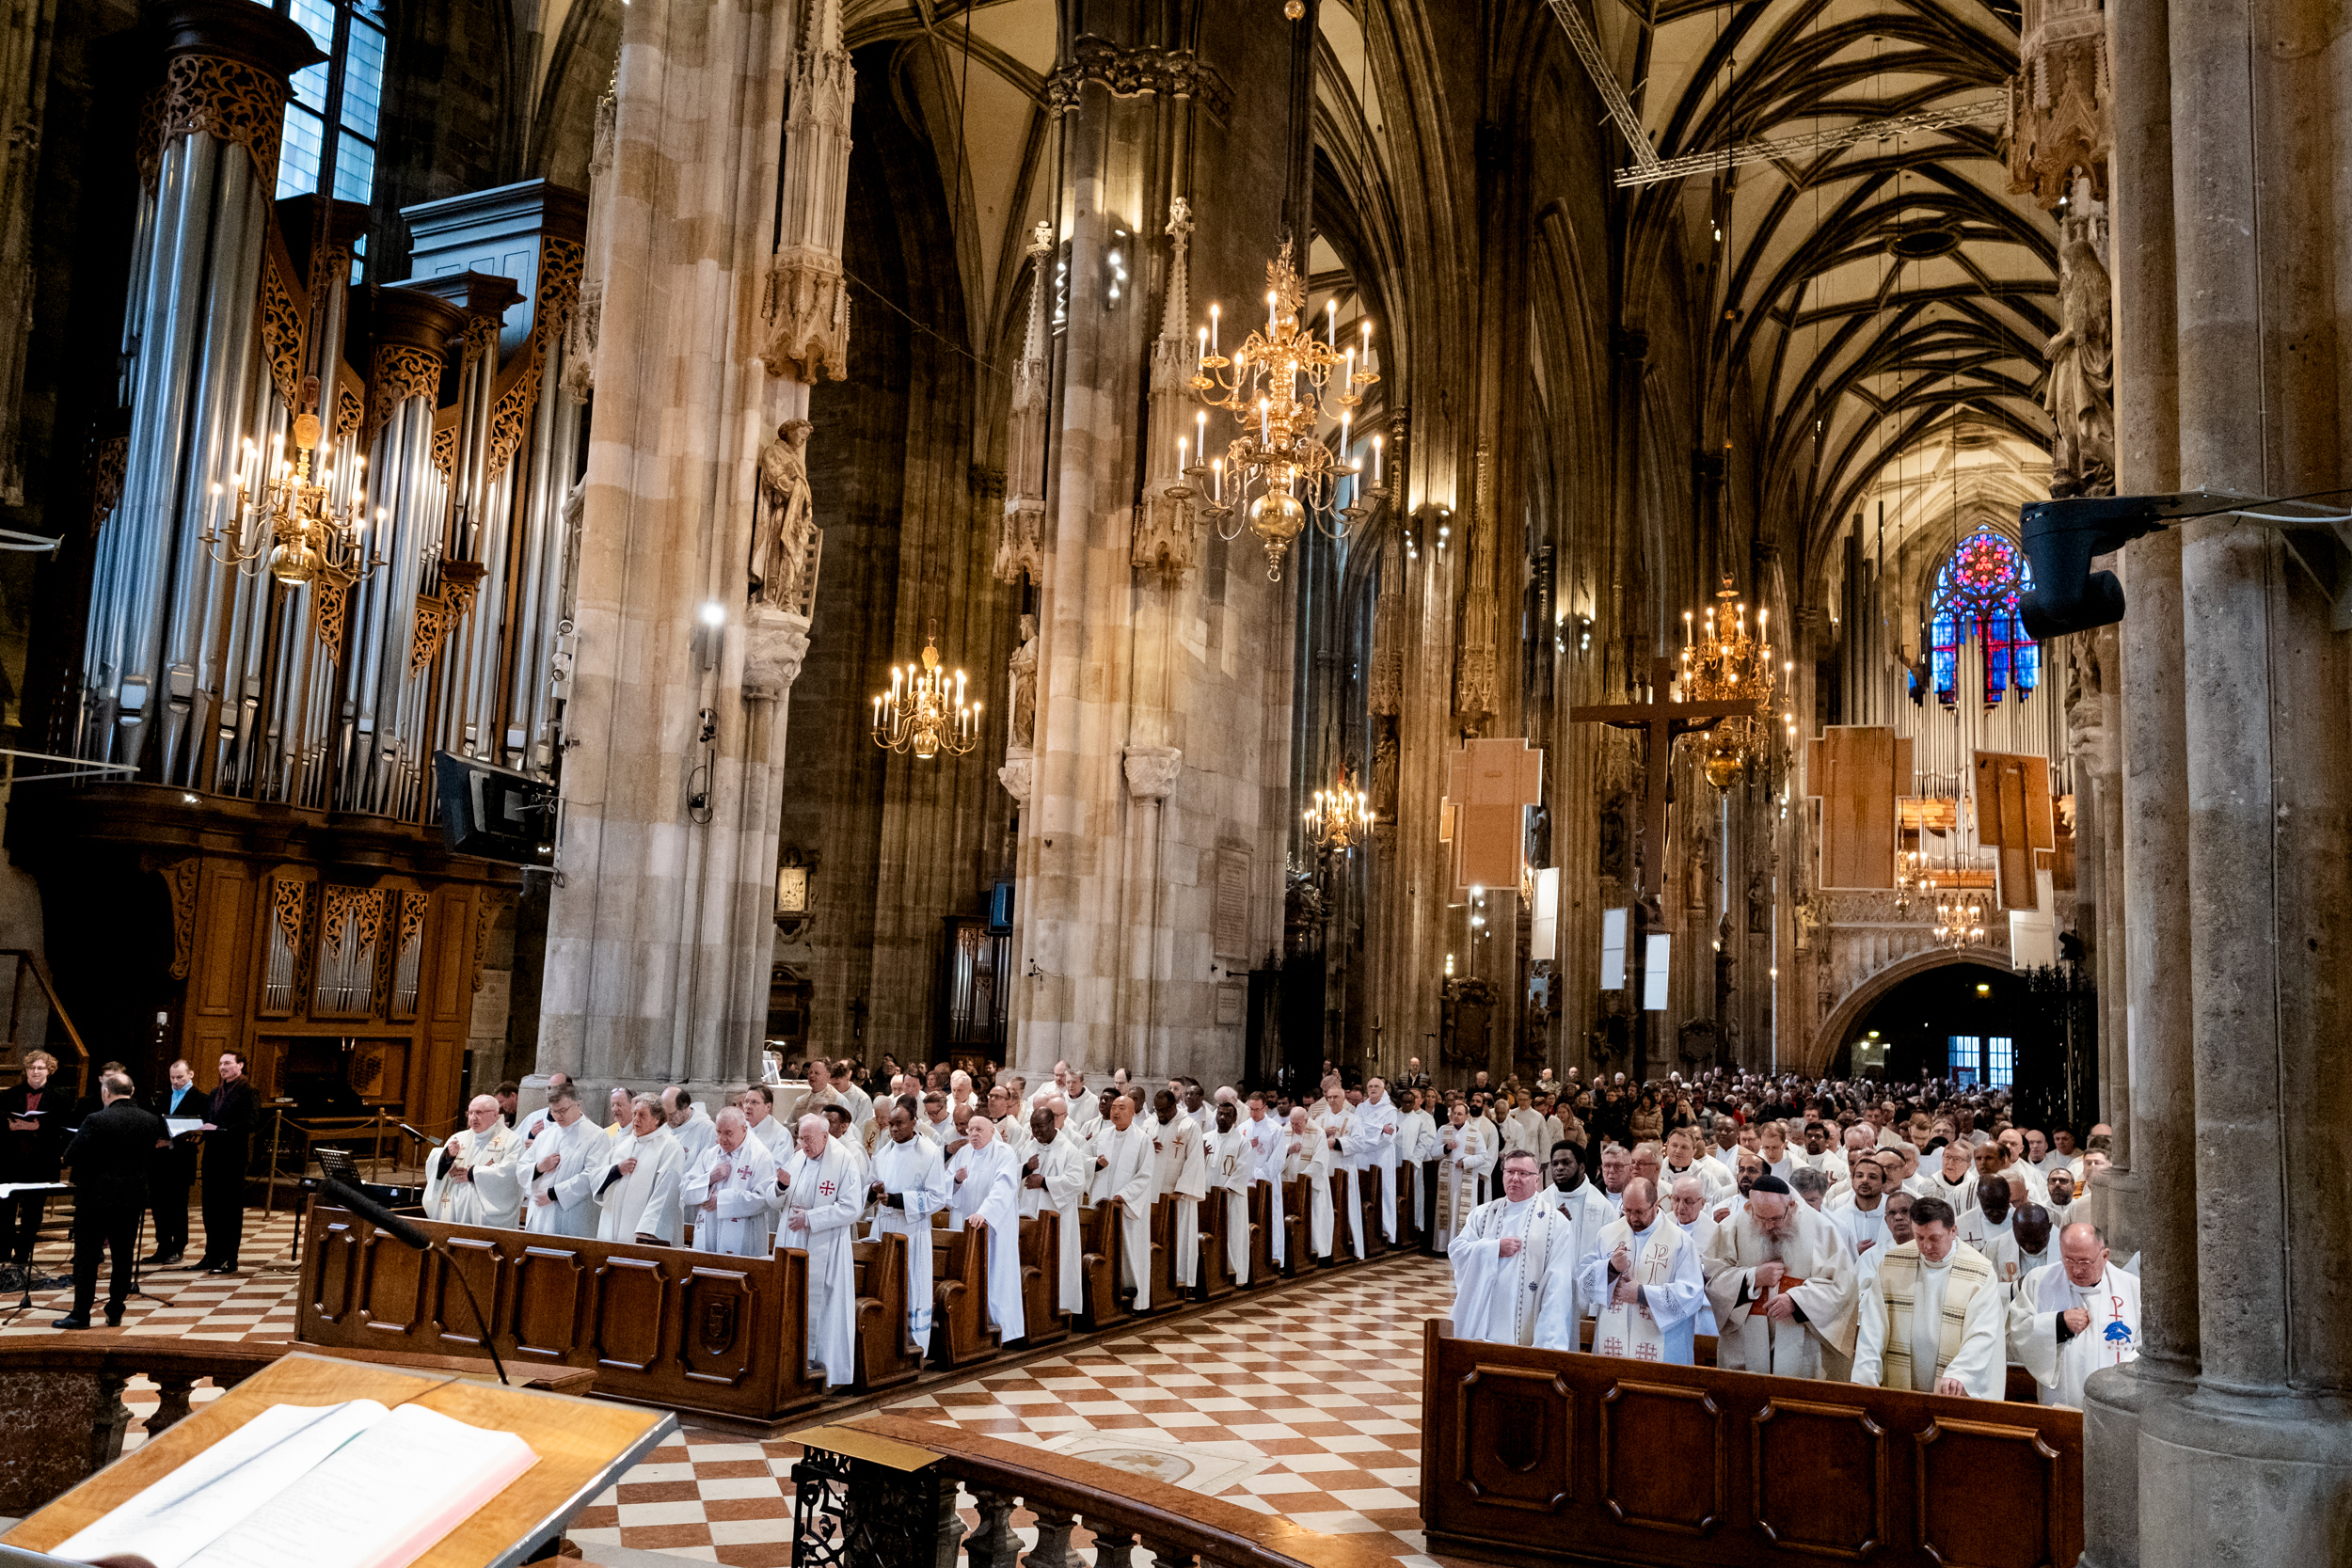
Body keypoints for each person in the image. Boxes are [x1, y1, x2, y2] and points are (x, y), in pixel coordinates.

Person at [1704, 1175, 1858, 1379]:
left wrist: (1797, 1301)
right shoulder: (1732, 1227)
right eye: (1760, 1218)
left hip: (1802, 1343)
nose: (1768, 1226)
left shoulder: (1822, 1229)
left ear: (1791, 1206)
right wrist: (1752, 1278)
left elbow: (1842, 1286)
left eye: (1775, 1219)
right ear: (1750, 1207)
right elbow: (1713, 1277)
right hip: (1745, 1341)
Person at [1851, 1196, 2003, 1399]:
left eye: (1934, 1238)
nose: (1926, 1247)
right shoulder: (1893, 1263)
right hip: (1902, 1386)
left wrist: (1960, 1372)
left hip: (1953, 1384)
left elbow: (1982, 1331)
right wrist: (1865, 1372)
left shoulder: (1980, 1272)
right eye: (1919, 1238)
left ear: (1953, 1231)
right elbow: (1873, 1323)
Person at [53, 1070, 163, 1330]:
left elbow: (70, 1156)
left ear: (106, 1093)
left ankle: (81, 1314)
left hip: (94, 1198)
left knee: (87, 1258)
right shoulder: (150, 1120)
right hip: (132, 1198)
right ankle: (115, 1311)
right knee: (123, 1257)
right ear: (132, 1091)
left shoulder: (96, 1119)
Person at [1450, 1150, 1581, 1350]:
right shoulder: (1483, 1214)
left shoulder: (1555, 1223)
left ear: (1537, 1180)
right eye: (1510, 1172)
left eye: (1523, 1173)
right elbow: (1457, 1251)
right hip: (1481, 1328)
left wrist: (1548, 1341)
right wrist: (1494, 1248)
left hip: (1528, 1331)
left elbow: (1558, 1284)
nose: (1515, 1178)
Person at [2008, 1221, 2139, 1407]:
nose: (2077, 1270)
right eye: (2068, 1260)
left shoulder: (2132, 1289)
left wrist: (2119, 1380)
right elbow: (2018, 1331)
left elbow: (2146, 1347)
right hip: (2058, 1405)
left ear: (2104, 1256)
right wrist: (2058, 1324)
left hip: (2114, 1406)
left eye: (2085, 1262)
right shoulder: (2038, 1281)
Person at [772, 1114, 862, 1385]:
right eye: (800, 1138)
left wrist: (811, 1218)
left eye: (808, 1139)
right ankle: (789, 1365)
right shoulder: (797, 1158)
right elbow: (774, 1198)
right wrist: (780, 1187)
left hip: (826, 1245)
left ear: (825, 1136)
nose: (803, 1144)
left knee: (824, 1306)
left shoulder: (844, 1160)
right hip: (793, 1240)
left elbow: (851, 1208)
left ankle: (826, 1371)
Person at [1578, 1177, 1707, 1364]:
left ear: (1656, 1204)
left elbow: (1691, 1294)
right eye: (1627, 1210)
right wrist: (1610, 1268)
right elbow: (1584, 1282)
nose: (1632, 1218)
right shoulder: (1607, 1234)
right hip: (1612, 1346)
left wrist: (1641, 1294)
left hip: (1663, 1348)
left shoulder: (1680, 1241)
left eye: (1639, 1212)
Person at [947, 1111, 1025, 1343]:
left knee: (996, 1275)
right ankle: (971, 1324)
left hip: (993, 1229)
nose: (973, 1134)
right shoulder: (963, 1153)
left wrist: (985, 1213)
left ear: (992, 1131)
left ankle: (1002, 1328)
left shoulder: (1004, 1153)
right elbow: (946, 1183)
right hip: (968, 1227)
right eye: (970, 1130)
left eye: (979, 1129)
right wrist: (956, 1180)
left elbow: (1004, 1186)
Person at [193, 1051, 258, 1275]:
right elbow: (209, 1120)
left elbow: (251, 1122)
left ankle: (230, 1258)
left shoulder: (249, 1091)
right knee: (210, 1208)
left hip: (232, 1157)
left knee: (229, 1209)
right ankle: (211, 1255)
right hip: (212, 1155)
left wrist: (222, 1129)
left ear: (240, 1065)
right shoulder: (215, 1091)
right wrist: (199, 1131)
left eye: (227, 1063)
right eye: (220, 1063)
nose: (222, 1067)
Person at [1094, 1090, 1157, 1310]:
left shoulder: (1142, 1140)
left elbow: (1145, 1174)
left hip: (1127, 1207)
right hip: (1103, 1204)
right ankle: (1106, 1294)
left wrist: (1125, 1195)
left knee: (1130, 1251)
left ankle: (1135, 1299)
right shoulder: (1102, 1136)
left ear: (1132, 1112)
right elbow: (1085, 1160)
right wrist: (1094, 1164)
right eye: (1114, 1108)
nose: (1116, 1112)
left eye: (1122, 1108)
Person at [421, 1095, 527, 1227]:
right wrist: (447, 1157)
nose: (473, 1118)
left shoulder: (512, 1141)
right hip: (453, 1210)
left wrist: (472, 1173)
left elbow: (511, 1174)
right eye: (470, 1113)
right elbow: (437, 1171)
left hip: (484, 1217)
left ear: (495, 1115)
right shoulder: (458, 1138)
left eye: (479, 1112)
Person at [596, 1094, 686, 1244]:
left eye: (642, 1115)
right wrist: (616, 1171)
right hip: (611, 1229)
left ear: (656, 1118)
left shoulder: (670, 1147)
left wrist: (647, 1230)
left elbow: (666, 1192)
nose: (635, 1119)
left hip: (644, 1235)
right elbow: (596, 1177)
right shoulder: (622, 1144)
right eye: (634, 1114)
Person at [689, 1108, 778, 1257]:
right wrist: (709, 1179)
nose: (722, 1139)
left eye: (728, 1133)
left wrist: (722, 1200)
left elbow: (764, 1199)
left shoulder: (760, 1156)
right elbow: (686, 1190)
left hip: (745, 1238)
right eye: (719, 1132)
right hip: (709, 1230)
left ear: (744, 1129)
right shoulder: (710, 1154)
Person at [1544, 1140, 1616, 1322]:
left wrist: (1595, 1308)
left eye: (1566, 1163)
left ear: (1582, 1167)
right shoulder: (1541, 1202)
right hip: (1547, 1297)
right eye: (1555, 1164)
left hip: (1585, 1302)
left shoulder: (1603, 1207)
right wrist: (1551, 1226)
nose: (1559, 1168)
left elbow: (1608, 1260)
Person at [1026, 1103, 1088, 1315]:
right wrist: (1024, 1170)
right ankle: (1034, 1310)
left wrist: (1044, 1182)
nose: (1036, 1132)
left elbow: (1077, 1182)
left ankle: (1059, 1308)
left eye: (1040, 1126)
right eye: (1033, 1127)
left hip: (1058, 1219)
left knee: (1058, 1261)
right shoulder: (1028, 1147)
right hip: (1030, 1217)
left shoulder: (1069, 1150)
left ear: (1053, 1123)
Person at [524, 1084, 607, 1236]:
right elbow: (522, 1168)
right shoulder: (545, 1135)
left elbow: (592, 1176)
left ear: (578, 1104)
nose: (558, 1116)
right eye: (554, 1111)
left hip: (573, 1215)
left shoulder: (597, 1136)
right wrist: (539, 1168)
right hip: (540, 1213)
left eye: (563, 1110)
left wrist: (553, 1194)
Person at [144, 1058, 202, 1267]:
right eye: (172, 1077)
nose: (176, 1081)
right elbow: (155, 1121)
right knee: (158, 1206)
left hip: (181, 1161)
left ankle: (178, 1246)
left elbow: (199, 1131)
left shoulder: (200, 1098)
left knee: (177, 1206)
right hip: (159, 1160)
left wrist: (171, 1141)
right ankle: (163, 1246)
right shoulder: (164, 1096)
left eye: (180, 1077)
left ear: (190, 1075)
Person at [1431, 1101, 1492, 1252]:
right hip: (1447, 1177)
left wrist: (1465, 1162)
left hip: (1466, 1178)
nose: (1456, 1116)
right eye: (1454, 1113)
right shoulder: (1443, 1130)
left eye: (1460, 1114)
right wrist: (1446, 1148)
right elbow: (1433, 1153)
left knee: (1463, 1212)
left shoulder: (1474, 1132)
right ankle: (1443, 1246)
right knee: (1446, 1211)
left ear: (1466, 1116)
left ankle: (1462, 1247)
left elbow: (1483, 1156)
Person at [1206, 1101, 1254, 1285]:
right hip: (1208, 1199)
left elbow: (1243, 1170)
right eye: (1220, 1114)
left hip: (1231, 1198)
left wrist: (1225, 1191)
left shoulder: (1242, 1142)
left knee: (1233, 1236)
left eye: (1227, 1115)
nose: (1222, 1118)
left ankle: (1235, 1275)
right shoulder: (1205, 1138)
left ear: (1235, 1119)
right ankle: (1211, 1274)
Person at [1285, 1104, 1333, 1260]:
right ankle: (1292, 1253)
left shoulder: (1318, 1133)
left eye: (1298, 1124)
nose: (1294, 1127)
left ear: (1306, 1120)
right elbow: (1276, 1156)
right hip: (1288, 1185)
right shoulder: (1285, 1131)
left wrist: (1302, 1178)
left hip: (1310, 1185)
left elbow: (1319, 1162)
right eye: (1292, 1123)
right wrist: (1288, 1150)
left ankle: (1315, 1252)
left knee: (1314, 1218)